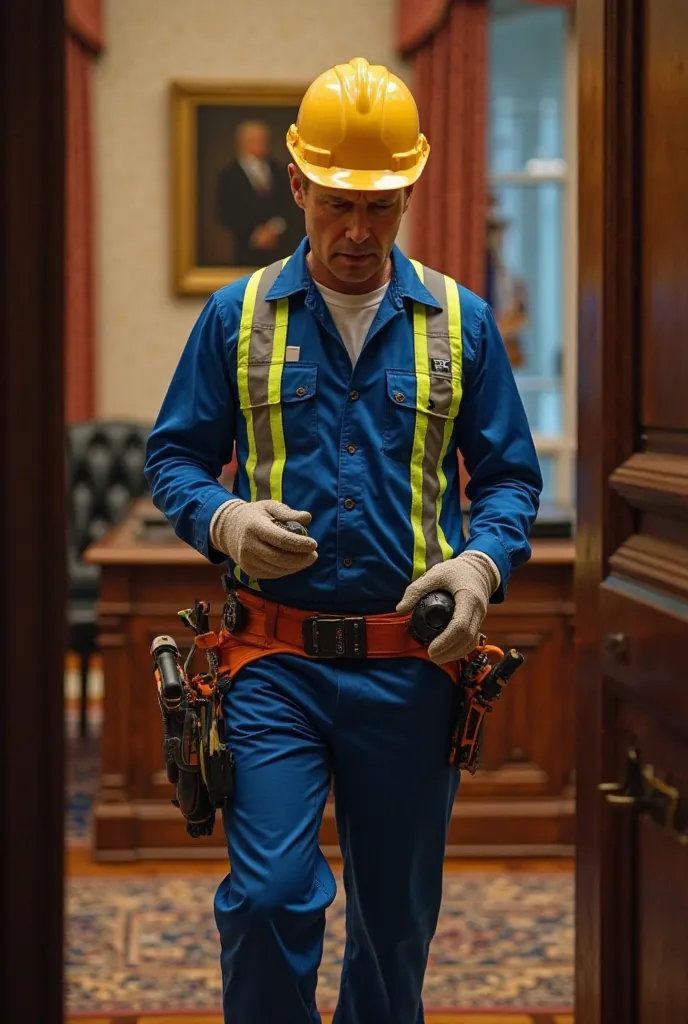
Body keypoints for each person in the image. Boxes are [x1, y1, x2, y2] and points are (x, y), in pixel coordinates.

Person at [145, 56, 542, 1024]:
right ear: (298, 188)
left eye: (380, 207)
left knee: (395, 919)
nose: (358, 232)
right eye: (336, 205)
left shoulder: (462, 321)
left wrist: (480, 562)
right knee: (271, 897)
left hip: (411, 666)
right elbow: (174, 460)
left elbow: (509, 479)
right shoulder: (236, 318)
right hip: (271, 659)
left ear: (407, 191)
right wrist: (223, 516)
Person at [217, 119, 303, 266]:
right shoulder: (228, 175)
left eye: (264, 139)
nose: (261, 143)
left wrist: (274, 228)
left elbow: (291, 204)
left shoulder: (280, 171)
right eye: (255, 140)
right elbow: (225, 212)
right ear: (242, 142)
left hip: (280, 249)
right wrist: (254, 234)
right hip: (245, 251)